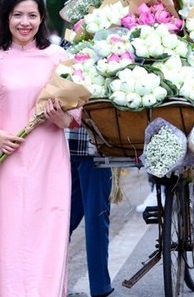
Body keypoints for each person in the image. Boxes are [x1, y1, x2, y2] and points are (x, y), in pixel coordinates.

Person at [0, 0, 81, 297]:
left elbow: (76, 116)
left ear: (42, 19)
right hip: (6, 163)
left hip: (50, 163)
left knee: (48, 236)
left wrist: (60, 118)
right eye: (17, 15)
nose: (24, 22)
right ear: (6, 18)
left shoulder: (57, 57)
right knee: (7, 238)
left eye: (32, 15)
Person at [67, 127, 115, 297]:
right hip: (92, 145)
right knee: (96, 219)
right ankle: (100, 287)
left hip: (62, 144)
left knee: (61, 219)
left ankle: (50, 282)